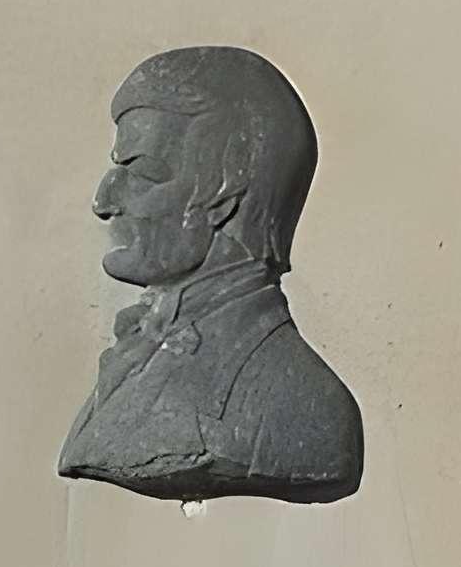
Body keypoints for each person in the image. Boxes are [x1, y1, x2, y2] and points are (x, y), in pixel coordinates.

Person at [57, 45, 364, 505]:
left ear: (227, 191)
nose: (104, 201)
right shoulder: (143, 348)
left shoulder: (303, 405)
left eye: (140, 171)